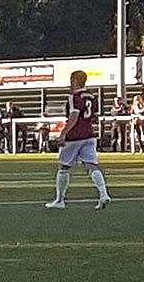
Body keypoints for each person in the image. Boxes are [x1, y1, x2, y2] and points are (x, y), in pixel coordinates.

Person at [47, 70, 112, 210]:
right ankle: (103, 194)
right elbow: (92, 116)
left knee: (64, 167)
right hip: (89, 135)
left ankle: (59, 200)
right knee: (91, 165)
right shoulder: (92, 96)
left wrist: (63, 133)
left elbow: (74, 117)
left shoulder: (74, 97)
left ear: (75, 80)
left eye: (71, 80)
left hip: (74, 137)